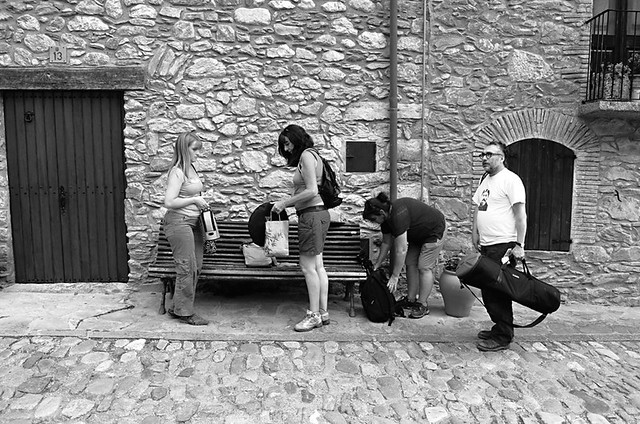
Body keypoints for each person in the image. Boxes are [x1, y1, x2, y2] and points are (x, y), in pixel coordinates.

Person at [271, 124, 331, 332]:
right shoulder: (314, 155)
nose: (286, 150)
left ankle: (313, 315)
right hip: (319, 214)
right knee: (318, 266)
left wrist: (284, 203)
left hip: (311, 216)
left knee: (307, 267)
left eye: (286, 144)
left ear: (296, 138)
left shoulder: (306, 155)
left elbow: (312, 190)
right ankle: (323, 312)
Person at [472, 141, 527, 351]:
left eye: (489, 154)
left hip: (503, 245)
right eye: (482, 154)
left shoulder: (511, 180)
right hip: (487, 244)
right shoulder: (485, 179)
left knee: (498, 291)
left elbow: (521, 215)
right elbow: (479, 207)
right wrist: (474, 232)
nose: (484, 158)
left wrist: (519, 245)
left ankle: (503, 336)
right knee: (488, 290)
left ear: (501, 157)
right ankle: (499, 327)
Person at [362, 193, 446, 319]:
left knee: (424, 267)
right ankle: (411, 299)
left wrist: (395, 276)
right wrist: (377, 265)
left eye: (374, 219)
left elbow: (401, 249)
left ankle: (422, 304)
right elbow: (386, 243)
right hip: (418, 235)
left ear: (381, 212)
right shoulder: (385, 219)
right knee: (410, 262)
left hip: (434, 230)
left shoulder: (398, 215)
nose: (374, 223)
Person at [163, 131, 210, 326]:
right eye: (194, 149)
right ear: (184, 148)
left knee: (195, 266)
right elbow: (169, 201)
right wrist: (194, 199)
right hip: (179, 222)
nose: (197, 153)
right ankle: (184, 312)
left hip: (194, 223)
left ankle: (177, 306)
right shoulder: (177, 171)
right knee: (186, 267)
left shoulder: (191, 168)